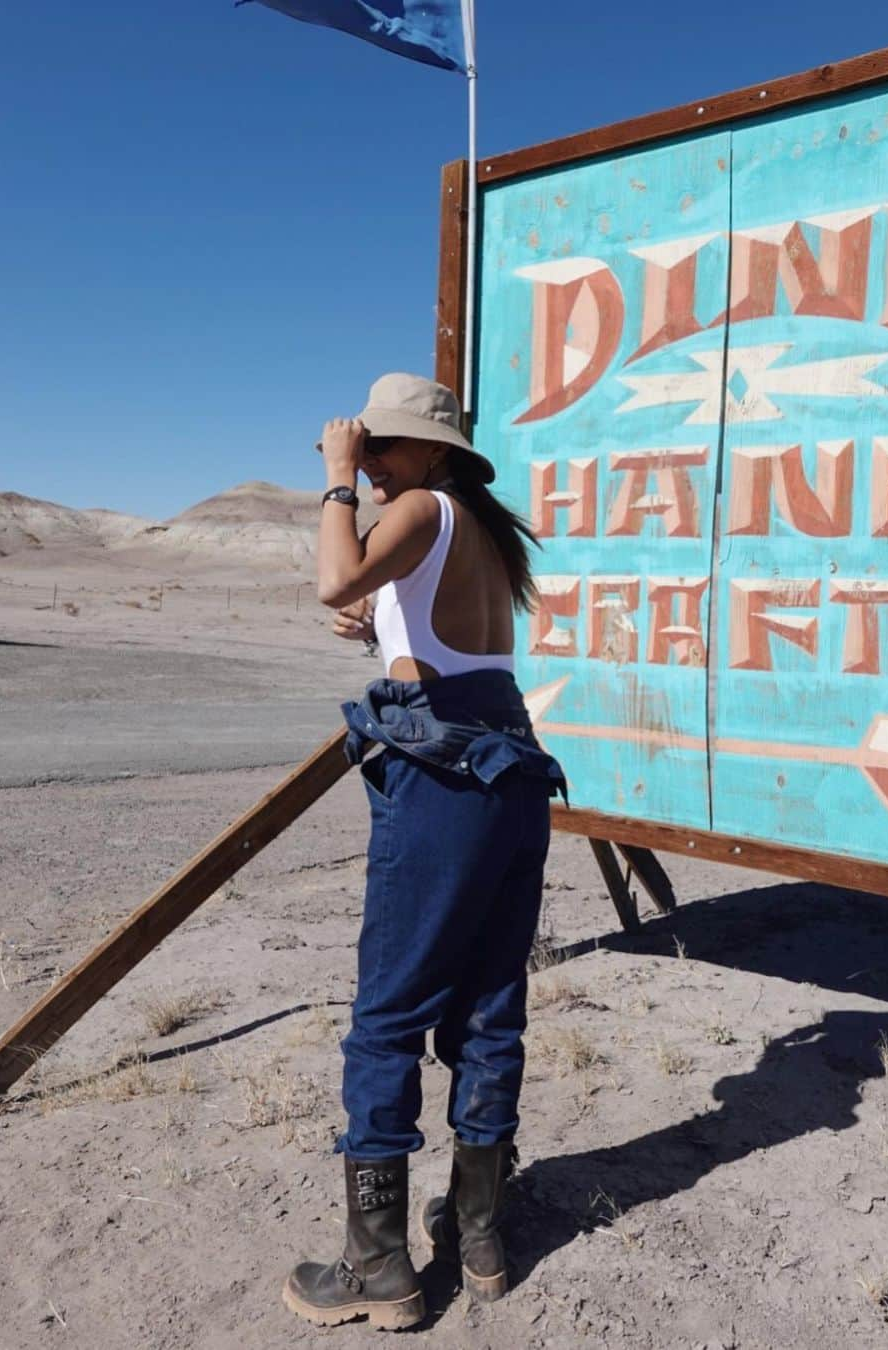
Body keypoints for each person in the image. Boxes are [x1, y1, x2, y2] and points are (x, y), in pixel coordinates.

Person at [282, 373, 566, 1331]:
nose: (370, 463)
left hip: (444, 775)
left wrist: (333, 483)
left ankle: (378, 1267)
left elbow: (331, 576)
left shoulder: (417, 506)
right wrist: (381, 620)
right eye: (364, 453)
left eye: (380, 450)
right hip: (508, 764)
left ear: (431, 452)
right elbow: (420, 628)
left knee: (389, 1013)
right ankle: (480, 1236)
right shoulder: (473, 524)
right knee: (490, 998)